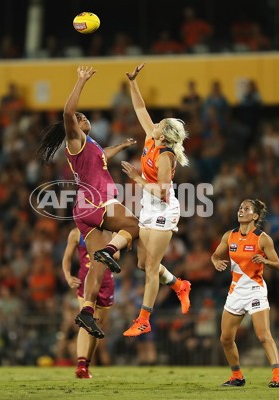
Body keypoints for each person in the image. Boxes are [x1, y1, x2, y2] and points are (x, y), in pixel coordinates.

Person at [37, 66, 186, 339]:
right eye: (81, 119)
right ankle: (114, 253)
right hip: (98, 200)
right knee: (136, 227)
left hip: (82, 210)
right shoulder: (76, 138)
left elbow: (102, 153)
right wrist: (80, 82)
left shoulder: (89, 145)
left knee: (98, 264)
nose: (84, 119)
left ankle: (86, 309)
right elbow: (68, 113)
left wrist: (120, 146)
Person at [120, 62, 192, 336]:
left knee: (150, 268)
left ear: (165, 135)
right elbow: (141, 109)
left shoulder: (165, 156)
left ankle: (144, 319)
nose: (155, 124)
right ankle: (178, 285)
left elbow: (162, 191)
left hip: (163, 208)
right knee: (141, 264)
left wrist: (138, 180)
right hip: (149, 206)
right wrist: (133, 83)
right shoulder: (153, 138)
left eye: (160, 124)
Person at [211, 199, 279, 388]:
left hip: (255, 290)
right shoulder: (229, 236)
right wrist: (215, 262)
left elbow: (277, 264)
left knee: (263, 335)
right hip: (236, 291)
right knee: (225, 338)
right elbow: (215, 255)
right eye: (240, 208)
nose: (241, 211)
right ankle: (237, 377)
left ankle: (278, 376)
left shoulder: (263, 238)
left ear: (254, 216)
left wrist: (264, 260)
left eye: (246, 209)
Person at [62, 227, 117, 379]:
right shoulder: (76, 233)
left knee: (97, 326)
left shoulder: (110, 232)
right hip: (85, 280)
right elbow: (66, 257)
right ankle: (81, 364)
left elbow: (117, 255)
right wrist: (67, 276)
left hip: (105, 282)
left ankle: (86, 366)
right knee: (86, 321)